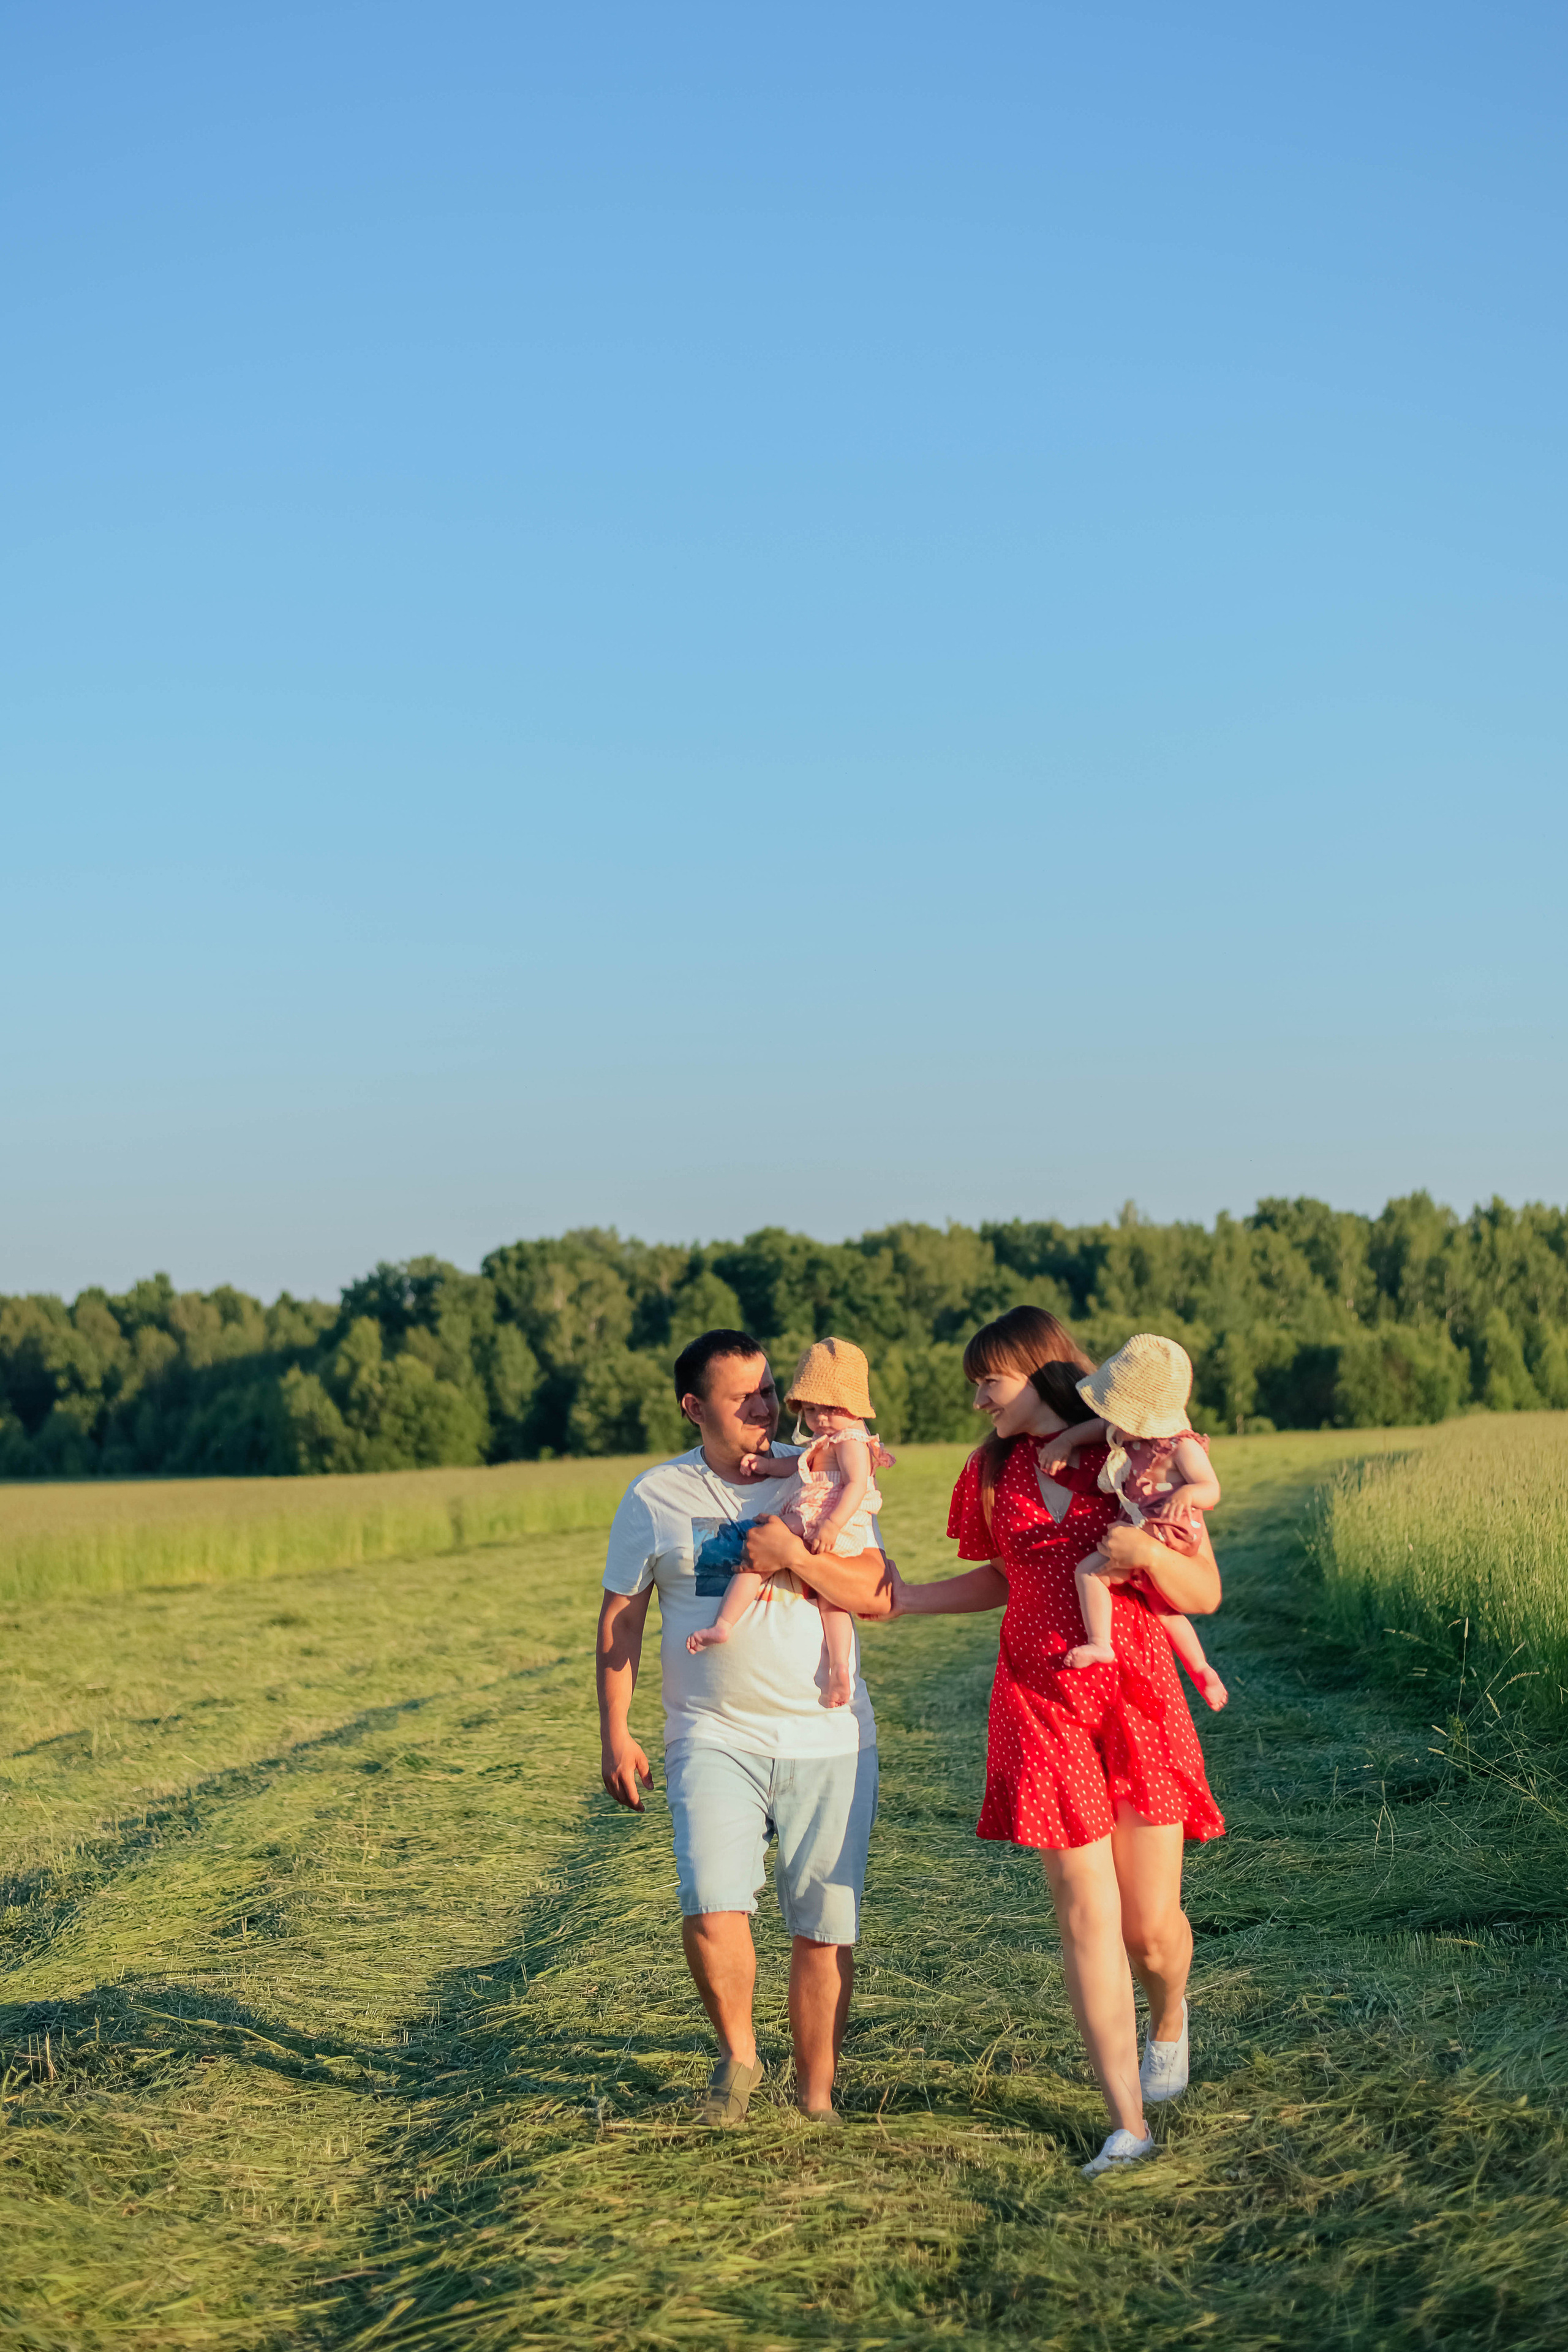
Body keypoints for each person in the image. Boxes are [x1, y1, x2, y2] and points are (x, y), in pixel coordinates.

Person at [889, 1305, 1225, 2179]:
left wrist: (1145, 1557)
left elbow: (1204, 1592)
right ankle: (1128, 2126)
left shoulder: (1130, 1450)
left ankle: (1171, 2015)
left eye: (987, 1383)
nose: (977, 1402)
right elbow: (1007, 1576)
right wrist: (903, 1599)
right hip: (1038, 1699)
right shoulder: (991, 1471)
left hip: (1135, 1692)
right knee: (1086, 1915)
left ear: (1035, 1370)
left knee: (1149, 1929)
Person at [595, 1330, 894, 2128]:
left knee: (822, 1930)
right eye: (744, 1397)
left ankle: (816, 2099)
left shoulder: (822, 1466)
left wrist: (792, 1551)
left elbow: (872, 1588)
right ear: (694, 1408)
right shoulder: (656, 1497)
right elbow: (621, 1622)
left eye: (768, 1390)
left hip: (828, 1739)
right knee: (710, 1898)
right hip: (710, 1733)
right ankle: (739, 2058)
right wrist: (615, 1733)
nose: (765, 1408)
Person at [686, 1338, 895, 1711]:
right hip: (814, 1512)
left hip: (824, 1516)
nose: (819, 1419)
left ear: (852, 1406)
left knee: (782, 1563)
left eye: (829, 1408)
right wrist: (767, 1466)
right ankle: (728, 1625)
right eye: (811, 1410)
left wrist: (831, 1525)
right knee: (805, 1583)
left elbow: (856, 1485)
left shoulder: (852, 1440)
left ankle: (839, 1667)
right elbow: (801, 1467)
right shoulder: (824, 1440)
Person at [1057, 1335, 1229, 1709]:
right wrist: (1066, 1441)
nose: (1111, 1422)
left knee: (1089, 1572)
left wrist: (1187, 1494)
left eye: (1119, 1412)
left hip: (1168, 1530)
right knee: (1163, 1609)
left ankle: (1100, 1643)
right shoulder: (1127, 1433)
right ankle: (1201, 1669)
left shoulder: (1180, 1446)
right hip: (1143, 1526)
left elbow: (1211, 1489)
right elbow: (1096, 1429)